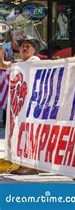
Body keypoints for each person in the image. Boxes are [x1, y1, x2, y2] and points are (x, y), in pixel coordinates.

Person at [0, 35, 41, 175]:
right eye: (22, 45)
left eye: (28, 46)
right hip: (21, 105)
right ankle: (27, 164)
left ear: (34, 49)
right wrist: (1, 54)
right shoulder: (21, 63)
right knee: (23, 134)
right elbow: (3, 65)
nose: (24, 48)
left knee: (30, 134)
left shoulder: (35, 60)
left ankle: (31, 166)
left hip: (32, 106)